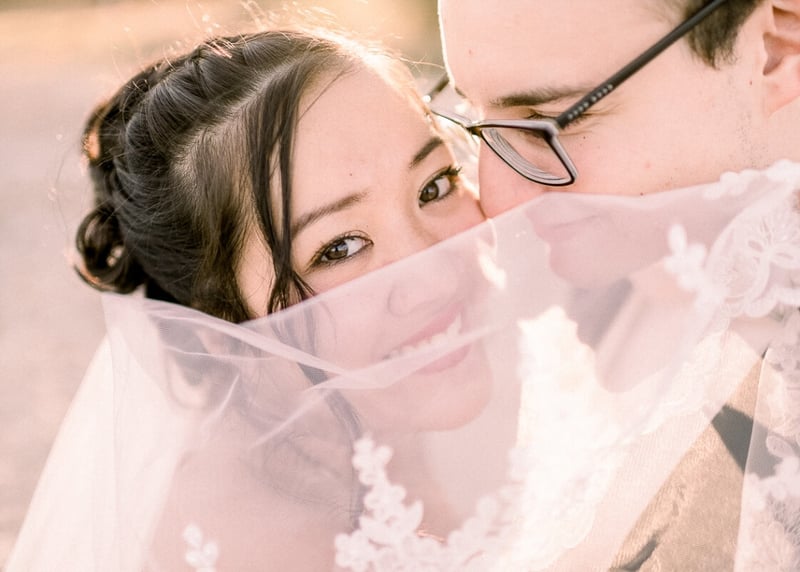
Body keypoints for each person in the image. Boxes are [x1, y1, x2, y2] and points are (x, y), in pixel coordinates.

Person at [435, 0, 800, 569]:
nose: (497, 201)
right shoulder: (578, 323)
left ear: (773, 54)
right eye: (470, 115)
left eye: (551, 121)